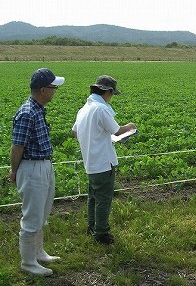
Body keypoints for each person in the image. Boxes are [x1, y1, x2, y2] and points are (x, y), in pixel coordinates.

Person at [9, 68, 65, 275]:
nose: (55, 91)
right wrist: (14, 172)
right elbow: (17, 146)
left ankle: (39, 252)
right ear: (43, 90)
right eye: (53, 87)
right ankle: (28, 262)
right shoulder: (27, 113)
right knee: (32, 217)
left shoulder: (38, 109)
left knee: (41, 214)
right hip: (32, 168)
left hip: (43, 165)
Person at [71, 75, 136, 245]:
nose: (112, 97)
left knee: (93, 196)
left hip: (90, 161)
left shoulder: (84, 108)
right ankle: (101, 233)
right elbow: (116, 131)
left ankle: (92, 227)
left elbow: (75, 132)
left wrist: (92, 139)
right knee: (104, 199)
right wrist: (130, 127)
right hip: (103, 162)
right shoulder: (101, 108)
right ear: (107, 92)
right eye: (112, 93)